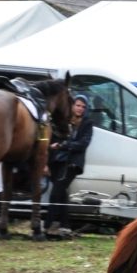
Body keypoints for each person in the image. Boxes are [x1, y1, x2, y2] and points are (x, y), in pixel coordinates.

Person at [45, 94, 93, 238]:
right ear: (71, 106)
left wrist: (63, 145)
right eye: (78, 105)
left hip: (71, 164)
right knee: (62, 193)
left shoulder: (87, 123)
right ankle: (65, 226)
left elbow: (83, 144)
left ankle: (49, 226)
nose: (80, 109)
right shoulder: (62, 120)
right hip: (56, 162)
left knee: (56, 193)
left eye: (83, 107)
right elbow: (48, 139)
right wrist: (46, 161)